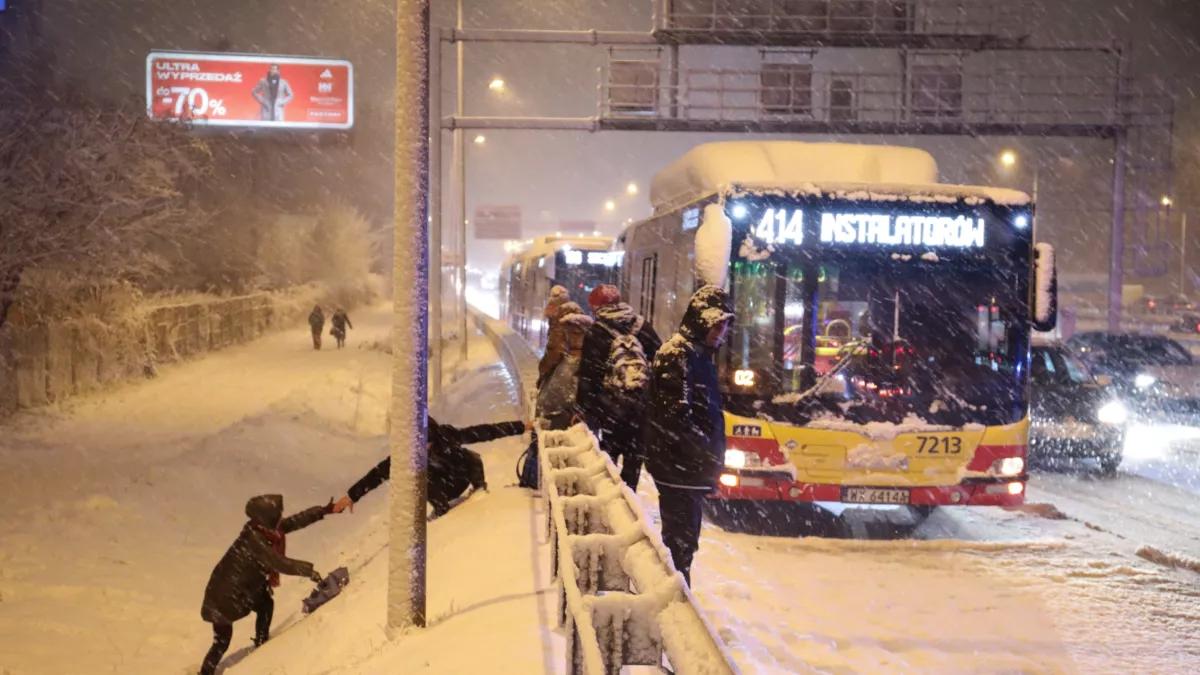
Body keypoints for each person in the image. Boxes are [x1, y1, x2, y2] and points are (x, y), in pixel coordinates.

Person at [645, 285, 734, 587]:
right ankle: (674, 606)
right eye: (716, 324)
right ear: (700, 321)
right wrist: (706, 454)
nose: (721, 331)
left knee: (683, 544)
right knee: (679, 546)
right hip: (678, 470)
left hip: (686, 470)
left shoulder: (697, 355)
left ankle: (676, 598)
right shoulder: (679, 357)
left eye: (725, 324)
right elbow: (677, 420)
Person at [199, 494, 333, 675]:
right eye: (277, 514)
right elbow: (279, 563)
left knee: (265, 604)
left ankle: (261, 646)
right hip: (224, 597)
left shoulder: (264, 530)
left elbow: (294, 521)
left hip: (238, 590)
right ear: (266, 518)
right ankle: (206, 673)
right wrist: (309, 571)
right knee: (222, 641)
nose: (281, 518)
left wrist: (323, 511)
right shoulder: (255, 539)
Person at [333, 417, 530, 517]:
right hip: (442, 489)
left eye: (427, 443)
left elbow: (484, 432)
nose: (424, 448)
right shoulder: (410, 454)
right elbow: (379, 473)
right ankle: (441, 510)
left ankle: (479, 488)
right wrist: (352, 496)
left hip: (460, 477)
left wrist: (521, 426)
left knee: (472, 456)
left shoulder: (446, 436)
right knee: (419, 479)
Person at [576, 284, 661, 490]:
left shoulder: (597, 332)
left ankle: (610, 503)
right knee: (633, 463)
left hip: (610, 410)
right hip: (639, 410)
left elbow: (589, 375)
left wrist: (583, 409)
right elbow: (659, 361)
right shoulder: (642, 327)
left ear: (595, 307)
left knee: (607, 461)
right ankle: (628, 498)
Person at [537, 286, 573, 388]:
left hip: (563, 375)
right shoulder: (573, 317)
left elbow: (554, 352)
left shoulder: (559, 325)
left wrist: (542, 374)